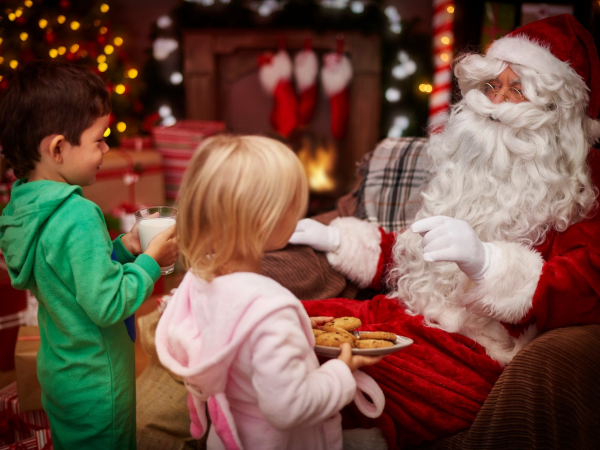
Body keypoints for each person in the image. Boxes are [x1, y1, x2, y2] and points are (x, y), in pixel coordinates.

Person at [287, 14, 600, 448]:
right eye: (492, 87)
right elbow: (420, 255)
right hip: (403, 320)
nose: (496, 104)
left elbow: (589, 282)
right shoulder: (467, 169)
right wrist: (340, 240)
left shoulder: (578, 191)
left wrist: (488, 263)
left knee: (308, 367)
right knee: (279, 318)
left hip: (473, 357)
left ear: (556, 114)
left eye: (518, 90)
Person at [155, 135, 385, 450]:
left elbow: (236, 331)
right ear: (265, 217)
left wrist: (300, 324)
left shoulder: (200, 280)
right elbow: (289, 407)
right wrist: (341, 372)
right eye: (292, 201)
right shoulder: (272, 311)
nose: (301, 209)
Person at [0, 61, 179, 449]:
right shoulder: (77, 214)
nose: (106, 148)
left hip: (63, 374)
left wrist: (122, 248)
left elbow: (65, 273)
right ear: (59, 148)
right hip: (99, 384)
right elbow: (108, 303)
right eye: (99, 139)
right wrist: (150, 261)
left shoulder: (26, 206)